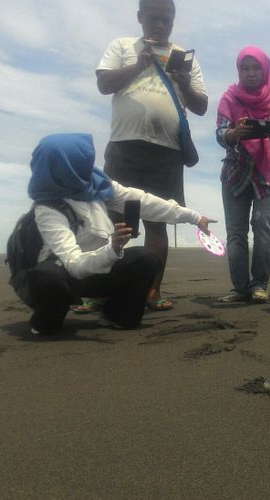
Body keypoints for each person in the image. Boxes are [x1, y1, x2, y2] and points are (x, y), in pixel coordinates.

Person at [24, 133, 214, 335]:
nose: (89, 169)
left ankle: (116, 315)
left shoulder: (95, 185)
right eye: (81, 164)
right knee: (48, 277)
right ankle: (46, 320)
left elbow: (144, 201)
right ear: (65, 168)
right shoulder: (47, 209)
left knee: (146, 259)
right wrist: (112, 249)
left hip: (98, 269)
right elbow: (74, 264)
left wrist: (194, 217)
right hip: (67, 278)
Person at [96, 0, 208, 312]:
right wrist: (137, 66)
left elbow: (201, 107)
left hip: (166, 152)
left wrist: (184, 84)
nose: (160, 25)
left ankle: (151, 290)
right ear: (140, 17)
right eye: (154, 18)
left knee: (158, 221)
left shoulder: (184, 57)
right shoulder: (122, 46)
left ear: (173, 20)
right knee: (113, 219)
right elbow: (104, 84)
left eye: (167, 19)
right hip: (124, 146)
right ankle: (99, 289)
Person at [215, 46, 270, 304]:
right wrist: (233, 134)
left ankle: (259, 285)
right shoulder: (229, 99)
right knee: (236, 232)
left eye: (256, 68)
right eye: (245, 68)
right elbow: (220, 133)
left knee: (264, 226)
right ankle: (240, 288)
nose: (251, 74)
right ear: (239, 70)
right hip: (236, 172)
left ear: (265, 70)